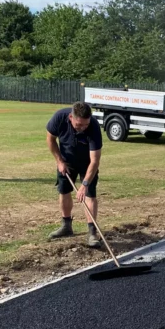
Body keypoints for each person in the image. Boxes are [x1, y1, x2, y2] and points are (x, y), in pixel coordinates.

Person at [46, 102, 103, 248]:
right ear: (71, 117)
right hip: (67, 160)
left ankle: (92, 233)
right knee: (64, 191)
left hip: (87, 163)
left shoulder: (94, 127)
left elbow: (95, 161)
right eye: (79, 125)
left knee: (90, 195)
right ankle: (66, 226)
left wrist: (84, 185)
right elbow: (50, 139)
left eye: (85, 124)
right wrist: (59, 161)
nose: (83, 128)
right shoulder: (59, 118)